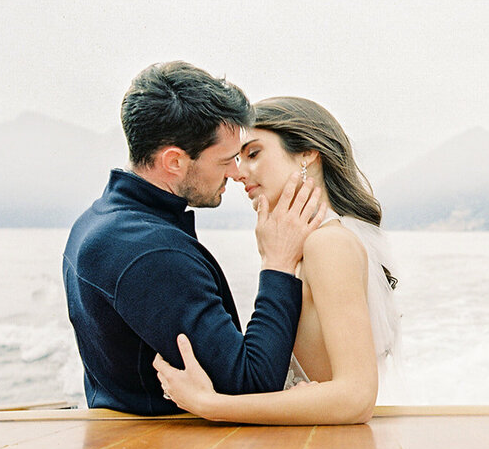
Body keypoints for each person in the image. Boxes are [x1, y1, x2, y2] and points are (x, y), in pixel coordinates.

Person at [63, 61, 323, 415]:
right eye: (225, 160)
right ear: (174, 162)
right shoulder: (151, 253)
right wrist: (277, 263)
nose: (235, 173)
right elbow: (253, 384)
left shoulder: (95, 220)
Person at [153, 97, 401, 425]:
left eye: (253, 154)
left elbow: (356, 397)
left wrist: (209, 404)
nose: (239, 173)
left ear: (307, 153)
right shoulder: (299, 245)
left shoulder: (328, 243)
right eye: (237, 159)